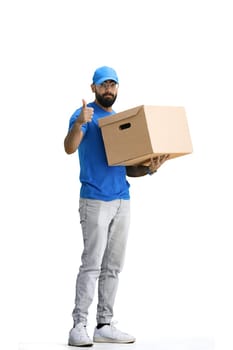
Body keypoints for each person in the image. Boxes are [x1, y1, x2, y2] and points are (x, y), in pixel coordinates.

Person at [64, 66, 169, 347]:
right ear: (93, 88)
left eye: (113, 84)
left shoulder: (118, 121)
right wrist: (78, 125)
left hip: (122, 199)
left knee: (113, 266)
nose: (109, 89)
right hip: (95, 200)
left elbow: (125, 168)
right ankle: (78, 326)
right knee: (92, 264)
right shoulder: (84, 115)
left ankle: (104, 324)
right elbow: (69, 147)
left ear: (117, 89)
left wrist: (148, 169)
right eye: (103, 85)